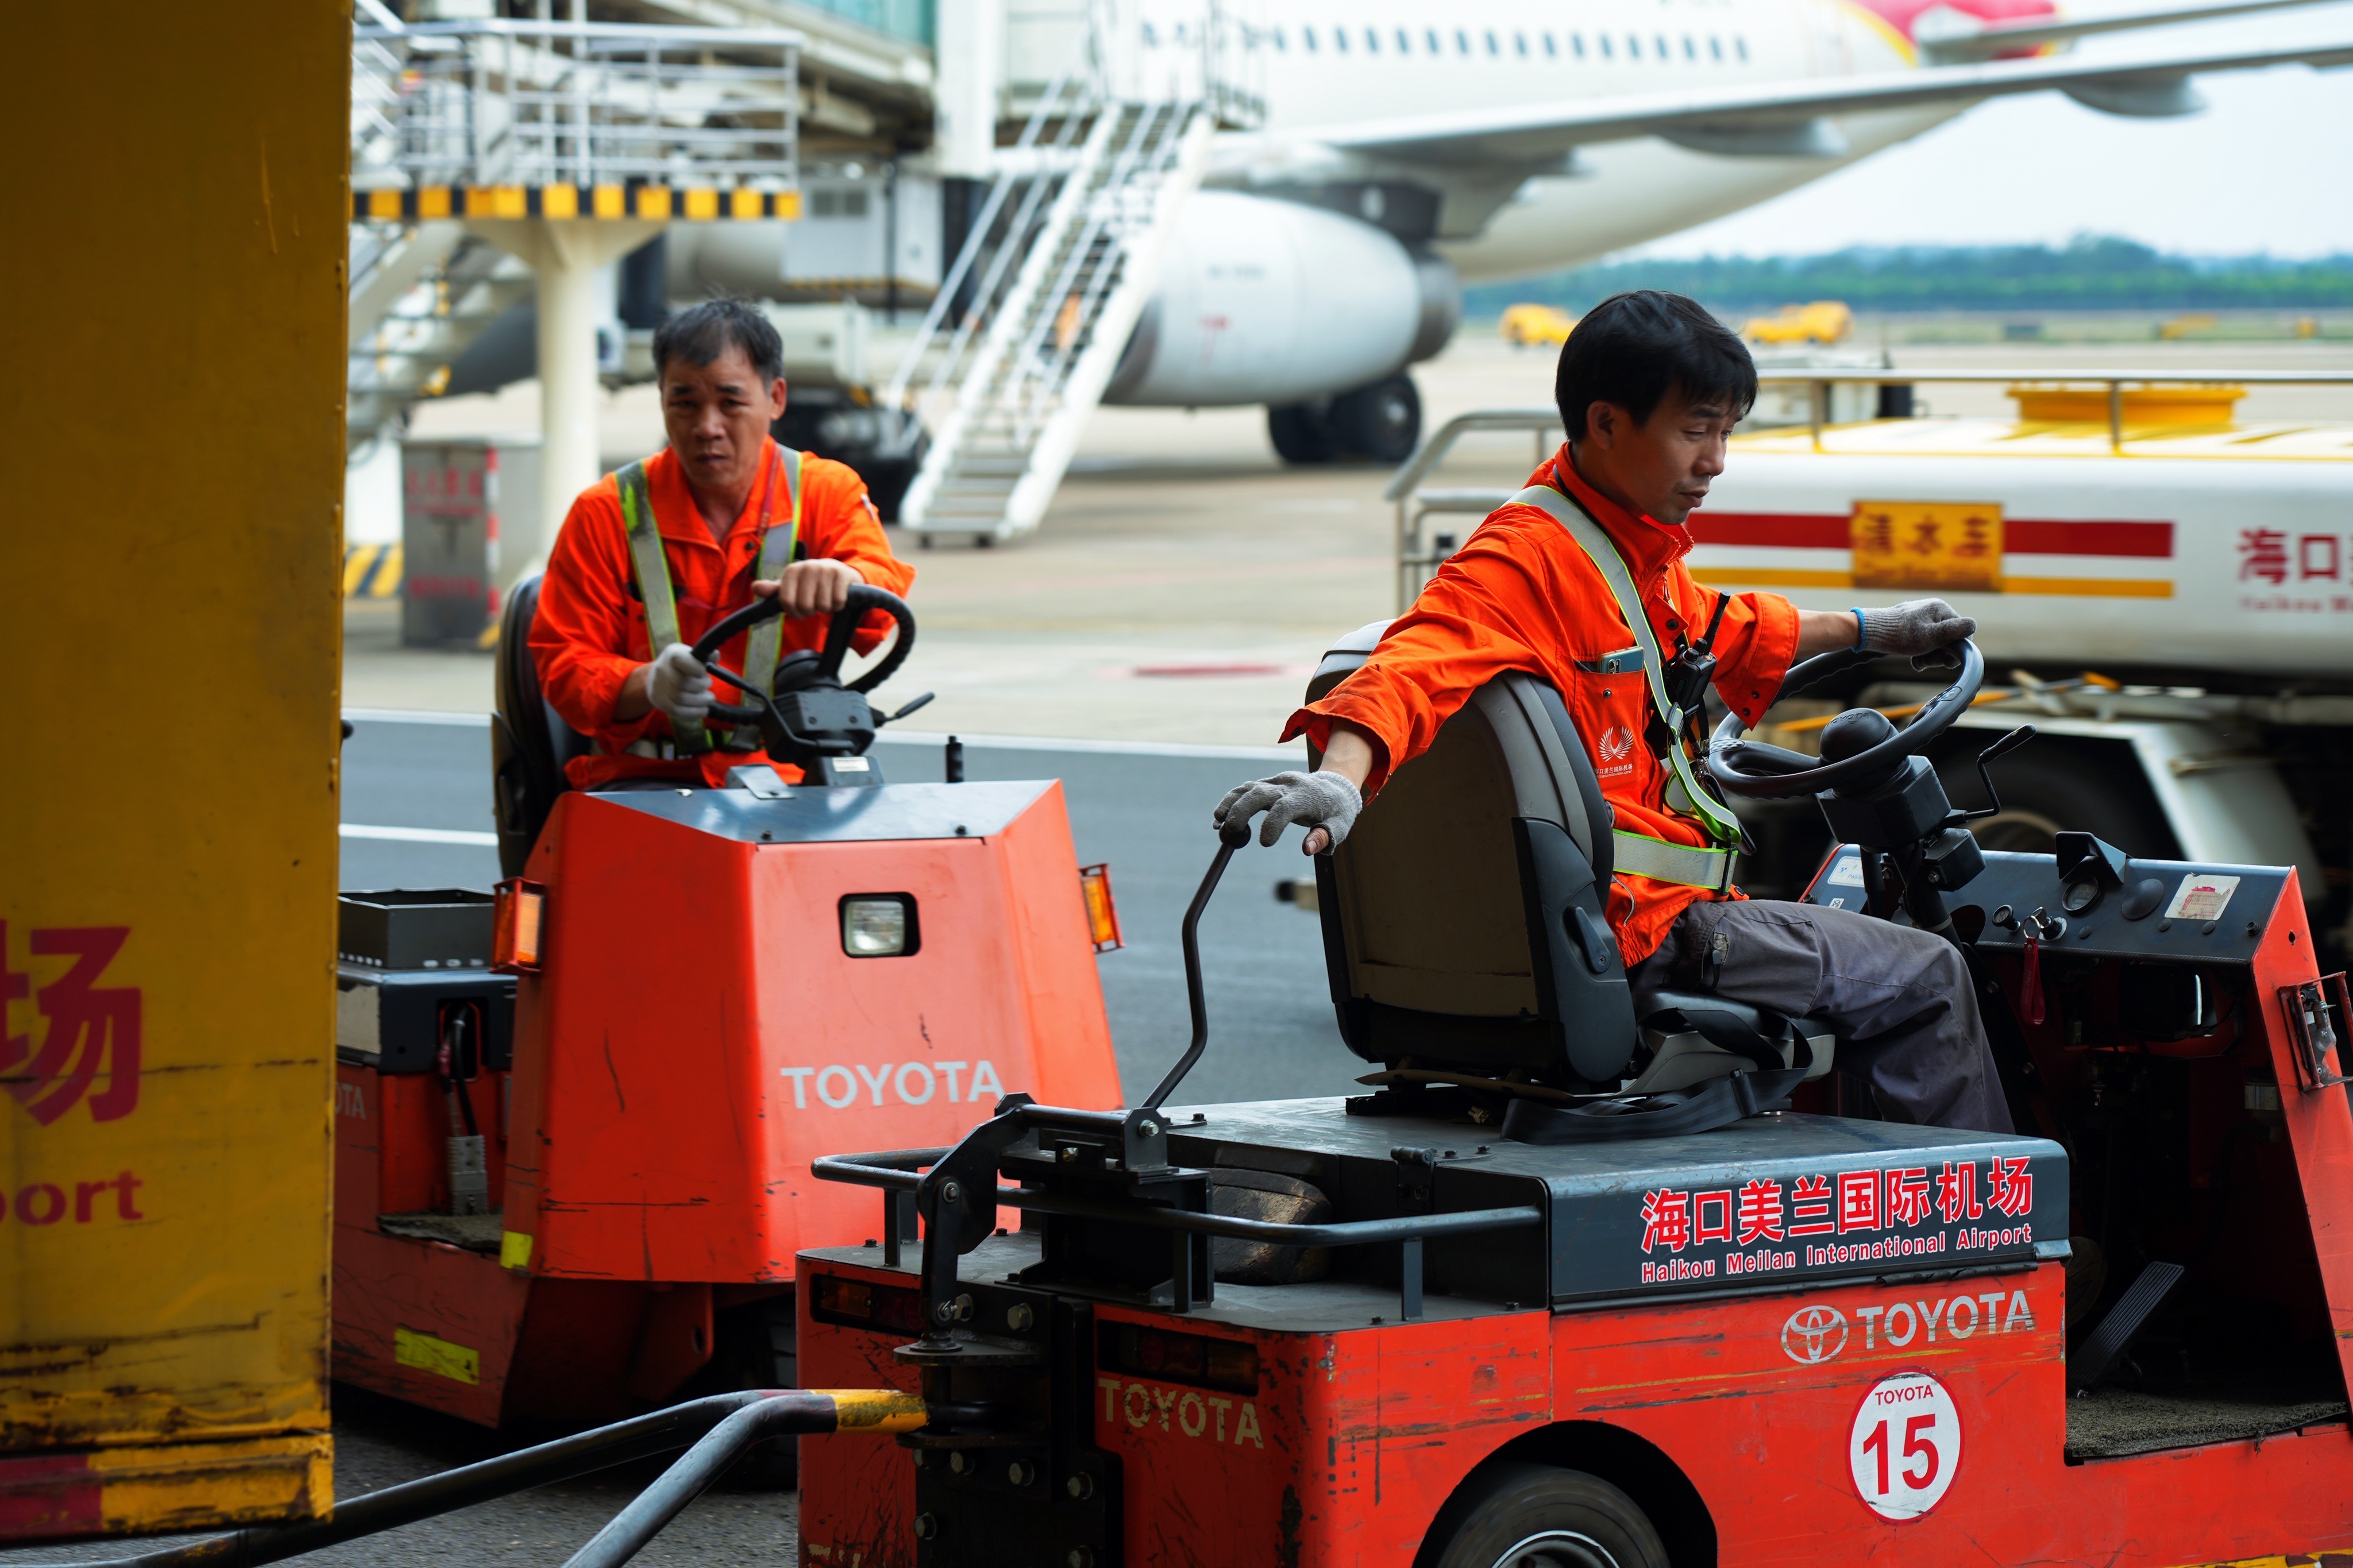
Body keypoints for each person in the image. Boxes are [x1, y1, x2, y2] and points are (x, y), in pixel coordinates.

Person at [1216, 290, 2009, 1133]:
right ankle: (1995, 1215)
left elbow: (1717, 625)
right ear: (1605, 422)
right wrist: (1343, 777)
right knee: (1927, 975)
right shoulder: (1524, 561)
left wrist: (1868, 628)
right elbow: (1415, 660)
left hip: (1626, 922)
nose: (1715, 461)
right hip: (1646, 928)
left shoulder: (1620, 549)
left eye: (1727, 433)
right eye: (1695, 430)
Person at [531, 299, 915, 790]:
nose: (706, 427)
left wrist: (849, 579)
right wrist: (647, 684)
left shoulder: (826, 491)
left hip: (790, 775)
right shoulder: (605, 512)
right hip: (646, 780)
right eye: (685, 403)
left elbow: (882, 597)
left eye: (730, 403)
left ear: (776, 398)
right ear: (662, 399)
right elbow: (565, 666)